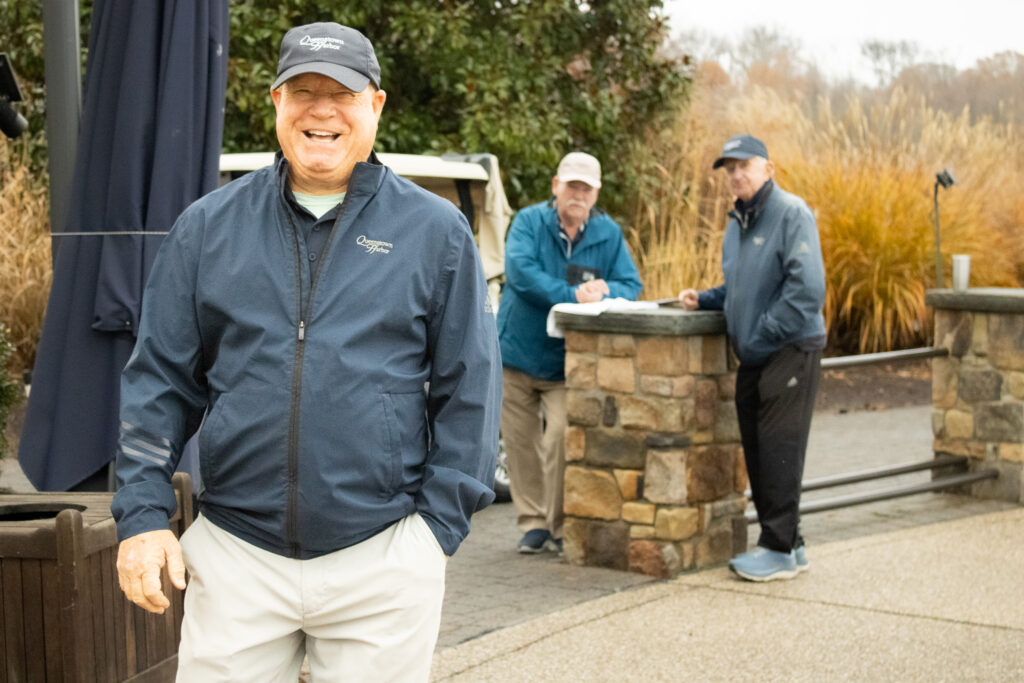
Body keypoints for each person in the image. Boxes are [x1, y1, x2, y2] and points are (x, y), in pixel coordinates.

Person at [111, 22, 501, 680]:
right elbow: (159, 383)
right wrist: (143, 515)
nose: (321, 108)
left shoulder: (436, 233)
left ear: (375, 106)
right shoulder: (206, 228)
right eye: (303, 90)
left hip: (381, 559)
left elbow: (470, 388)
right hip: (237, 558)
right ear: (276, 103)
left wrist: (434, 531)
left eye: (342, 92)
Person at [678, 134, 826, 582]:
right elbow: (741, 289)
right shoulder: (737, 223)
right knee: (759, 449)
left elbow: (807, 291)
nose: (737, 174)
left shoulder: (791, 213)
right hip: (759, 354)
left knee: (779, 449)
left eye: (745, 165)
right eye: (730, 168)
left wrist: (760, 335)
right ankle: (791, 543)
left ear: (769, 168)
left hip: (789, 349)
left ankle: (777, 549)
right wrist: (706, 299)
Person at [497, 152, 642, 554]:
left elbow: (632, 283)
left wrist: (607, 290)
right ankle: (533, 524)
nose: (577, 194)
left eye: (586, 188)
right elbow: (521, 272)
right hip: (516, 354)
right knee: (521, 444)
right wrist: (571, 294)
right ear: (556, 186)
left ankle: (560, 525)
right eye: (572, 185)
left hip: (566, 362)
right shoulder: (528, 222)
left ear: (595, 194)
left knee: (561, 437)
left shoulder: (608, 234)